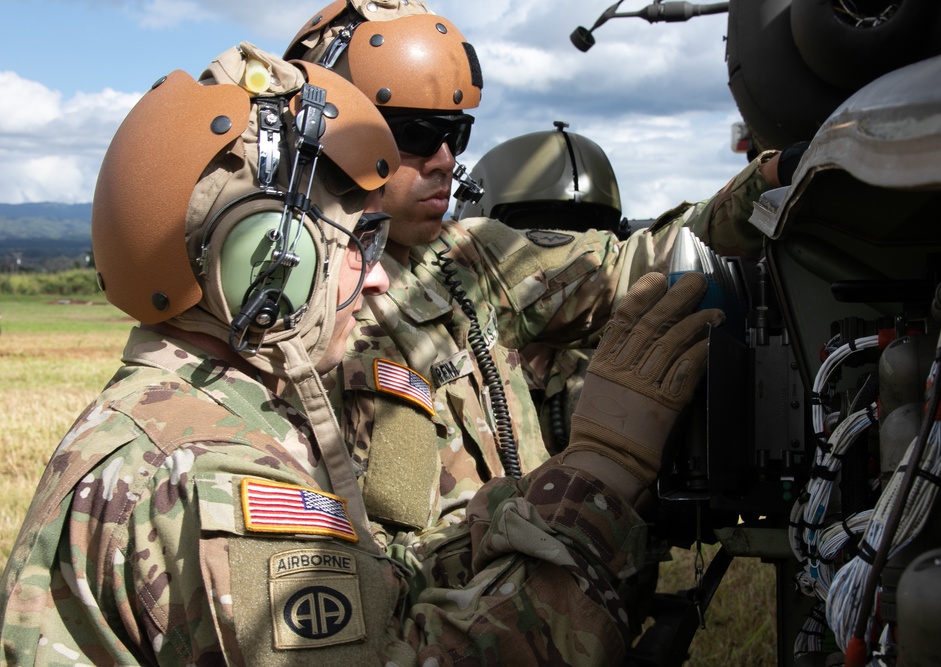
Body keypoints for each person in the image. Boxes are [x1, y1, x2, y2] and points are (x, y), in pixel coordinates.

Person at [0, 42, 724, 665]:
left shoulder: (216, 409)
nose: (377, 276)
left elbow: (383, 584)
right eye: (358, 245)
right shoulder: (207, 475)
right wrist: (604, 468)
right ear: (266, 260)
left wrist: (512, 514)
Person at [285, 0, 786, 535]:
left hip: (521, 595)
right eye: (416, 135)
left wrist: (775, 177)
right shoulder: (290, 292)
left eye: (455, 134)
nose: (445, 161)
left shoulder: (469, 255)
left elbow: (629, 266)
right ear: (334, 136)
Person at [456, 120, 630, 453]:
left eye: (579, 241)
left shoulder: (609, 368)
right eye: (527, 242)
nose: (558, 267)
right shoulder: (459, 358)